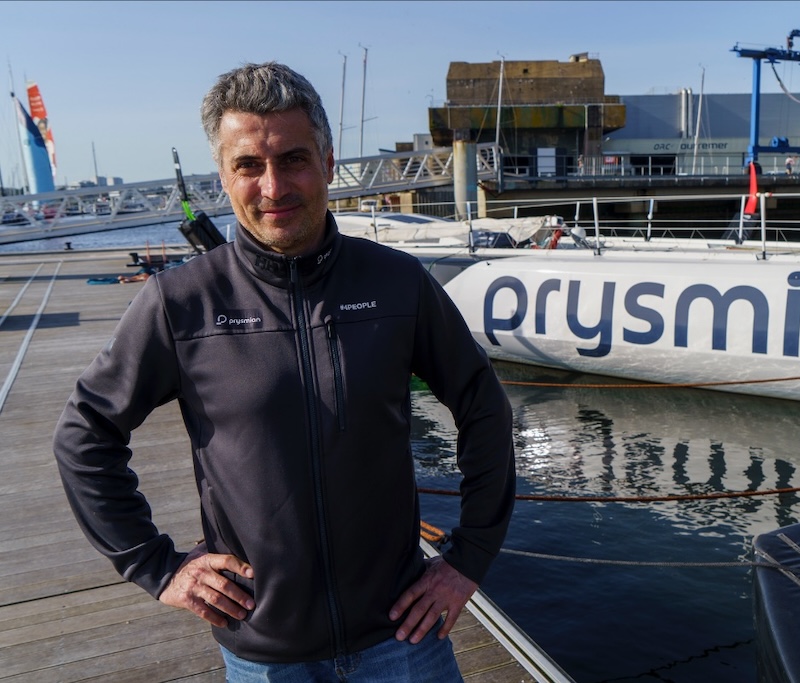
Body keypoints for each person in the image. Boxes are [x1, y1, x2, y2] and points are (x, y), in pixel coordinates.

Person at [53, 62, 516, 682]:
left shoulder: (398, 284)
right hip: (265, 654)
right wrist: (157, 567)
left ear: (327, 163)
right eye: (249, 166)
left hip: (403, 638)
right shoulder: (181, 302)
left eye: (293, 159)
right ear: (224, 176)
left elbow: (483, 407)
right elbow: (85, 434)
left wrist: (468, 560)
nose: (273, 187)